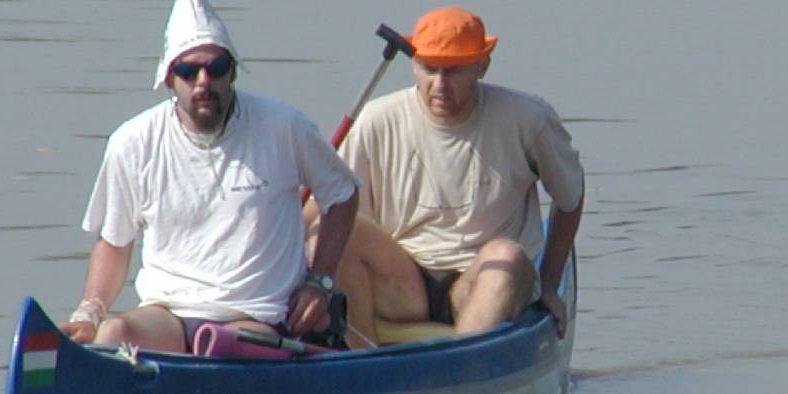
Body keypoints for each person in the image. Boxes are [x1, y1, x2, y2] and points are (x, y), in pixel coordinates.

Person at [60, 0, 358, 353]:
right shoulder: (132, 142)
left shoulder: (283, 125)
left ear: (232, 72)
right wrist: (89, 312)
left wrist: (321, 282)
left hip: (256, 315)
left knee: (219, 346)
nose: (204, 82)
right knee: (113, 333)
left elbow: (342, 193)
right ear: (169, 78)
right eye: (189, 71)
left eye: (216, 68)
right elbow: (114, 241)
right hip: (168, 313)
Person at [335, 6, 584, 347]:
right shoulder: (375, 120)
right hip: (404, 282)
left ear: (482, 66)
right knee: (329, 225)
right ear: (413, 64)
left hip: (485, 278)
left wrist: (551, 285)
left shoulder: (528, 119)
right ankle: (361, 357)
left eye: (453, 71)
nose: (439, 85)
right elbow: (337, 210)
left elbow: (570, 196)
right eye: (429, 69)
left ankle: (466, 359)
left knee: (508, 255)